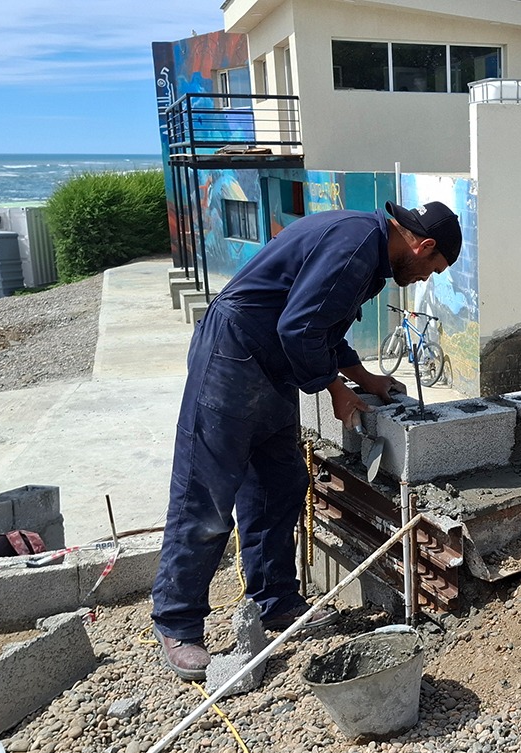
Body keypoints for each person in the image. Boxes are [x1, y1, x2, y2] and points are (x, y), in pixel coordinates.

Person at [151, 200, 462, 681]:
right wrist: (336, 390)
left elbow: (322, 324)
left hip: (270, 367)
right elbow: (297, 328)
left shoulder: (370, 254)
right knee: (207, 494)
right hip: (233, 357)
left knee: (280, 483)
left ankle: (275, 603)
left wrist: (364, 377)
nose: (425, 280)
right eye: (431, 269)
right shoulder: (356, 243)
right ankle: (177, 623)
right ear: (421, 245)